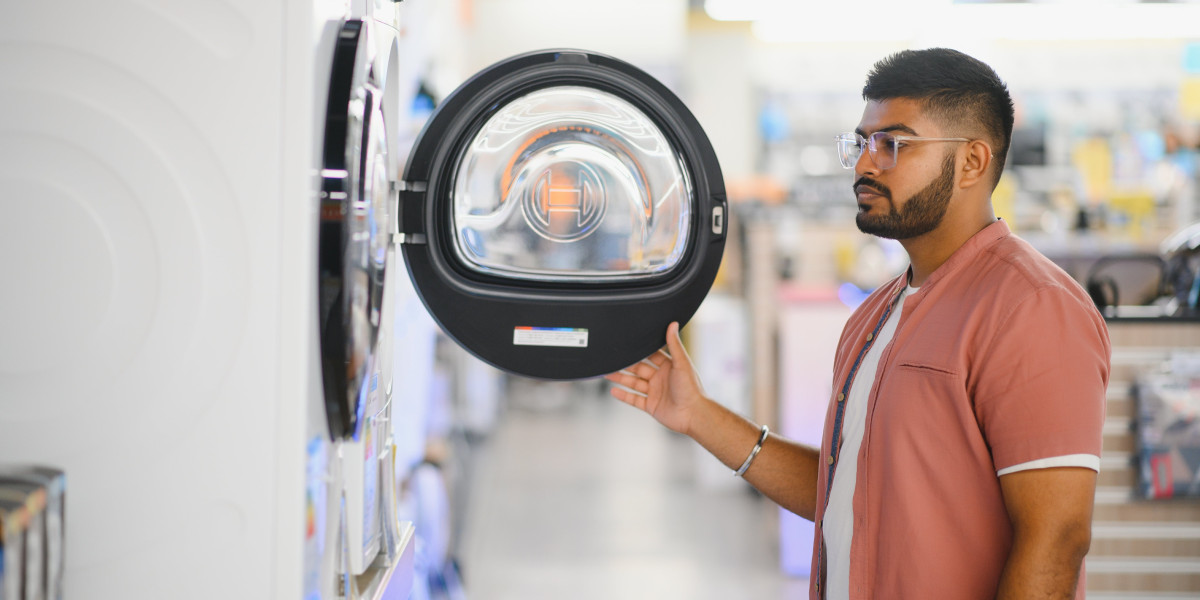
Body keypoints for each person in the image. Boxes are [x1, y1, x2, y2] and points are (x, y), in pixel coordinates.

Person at [605, 48, 1110, 600]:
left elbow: (1056, 539)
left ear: (972, 161)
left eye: (893, 144)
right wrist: (699, 415)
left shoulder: (1032, 309)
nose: (866, 164)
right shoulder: (875, 315)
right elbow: (844, 489)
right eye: (863, 143)